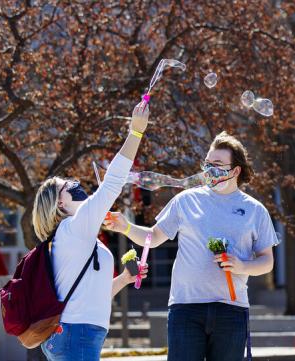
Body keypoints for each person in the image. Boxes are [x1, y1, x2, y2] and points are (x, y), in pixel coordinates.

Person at [104, 131, 278, 361]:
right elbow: (154, 238)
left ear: (235, 171)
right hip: (185, 308)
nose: (208, 170)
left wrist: (242, 266)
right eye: (207, 164)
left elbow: (267, 261)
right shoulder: (186, 200)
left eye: (217, 165)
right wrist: (124, 227)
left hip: (231, 309)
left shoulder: (255, 210)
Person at [32, 101, 150, 361]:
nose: (76, 184)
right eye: (68, 185)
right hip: (78, 333)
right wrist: (136, 132)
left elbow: (89, 296)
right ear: (60, 203)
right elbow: (112, 184)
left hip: (74, 332)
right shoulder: (75, 227)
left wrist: (123, 279)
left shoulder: (73, 235)